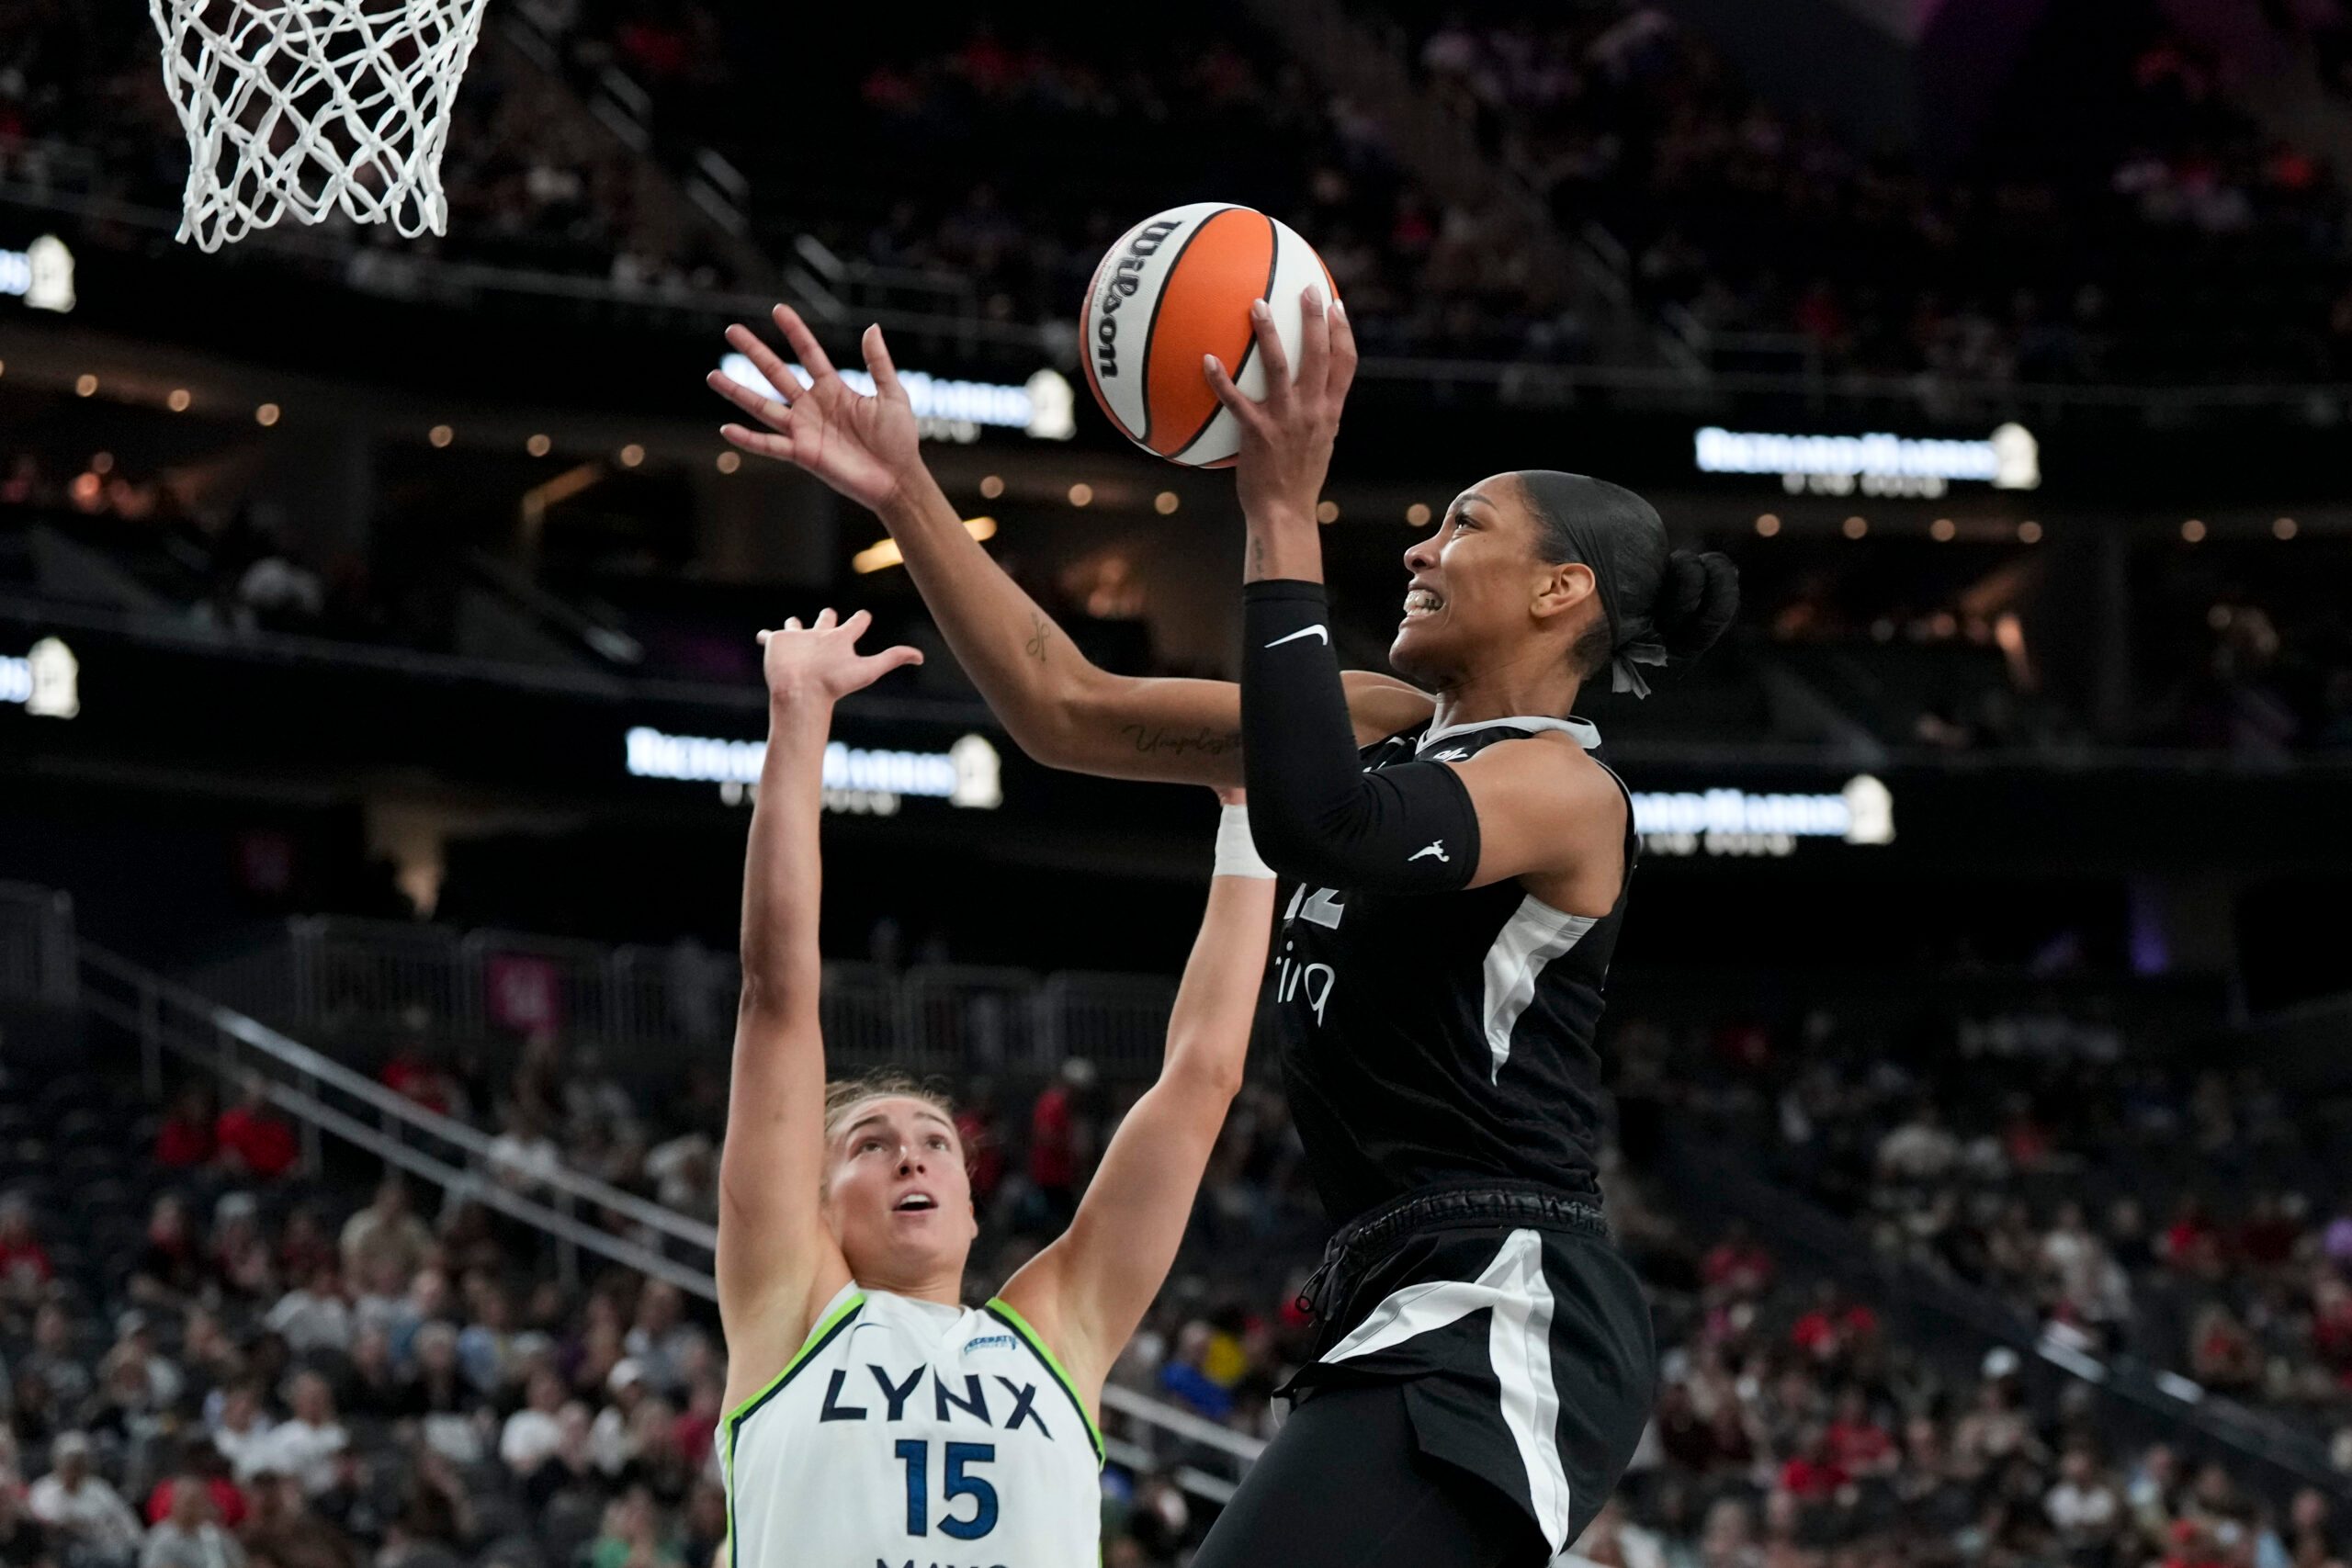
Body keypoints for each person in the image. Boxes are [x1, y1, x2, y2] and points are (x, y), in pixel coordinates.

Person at [711, 296, 1740, 1566]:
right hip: (1397, 1287)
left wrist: (1279, 507)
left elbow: (1319, 820)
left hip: (1505, 1293)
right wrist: (906, 491)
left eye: (1465, 525)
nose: (1419, 549)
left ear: (1561, 590)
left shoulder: (1566, 790)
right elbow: (1066, 707)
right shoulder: (1381, 720)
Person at [712, 607, 1274, 1568]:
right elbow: (776, 999)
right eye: (869, 1143)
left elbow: (1200, 1081)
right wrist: (798, 714)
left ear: (974, 1210)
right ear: (810, 1204)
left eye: (934, 1141)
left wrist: (1248, 822)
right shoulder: (791, 1305)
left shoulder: (1055, 1332)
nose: (911, 1154)